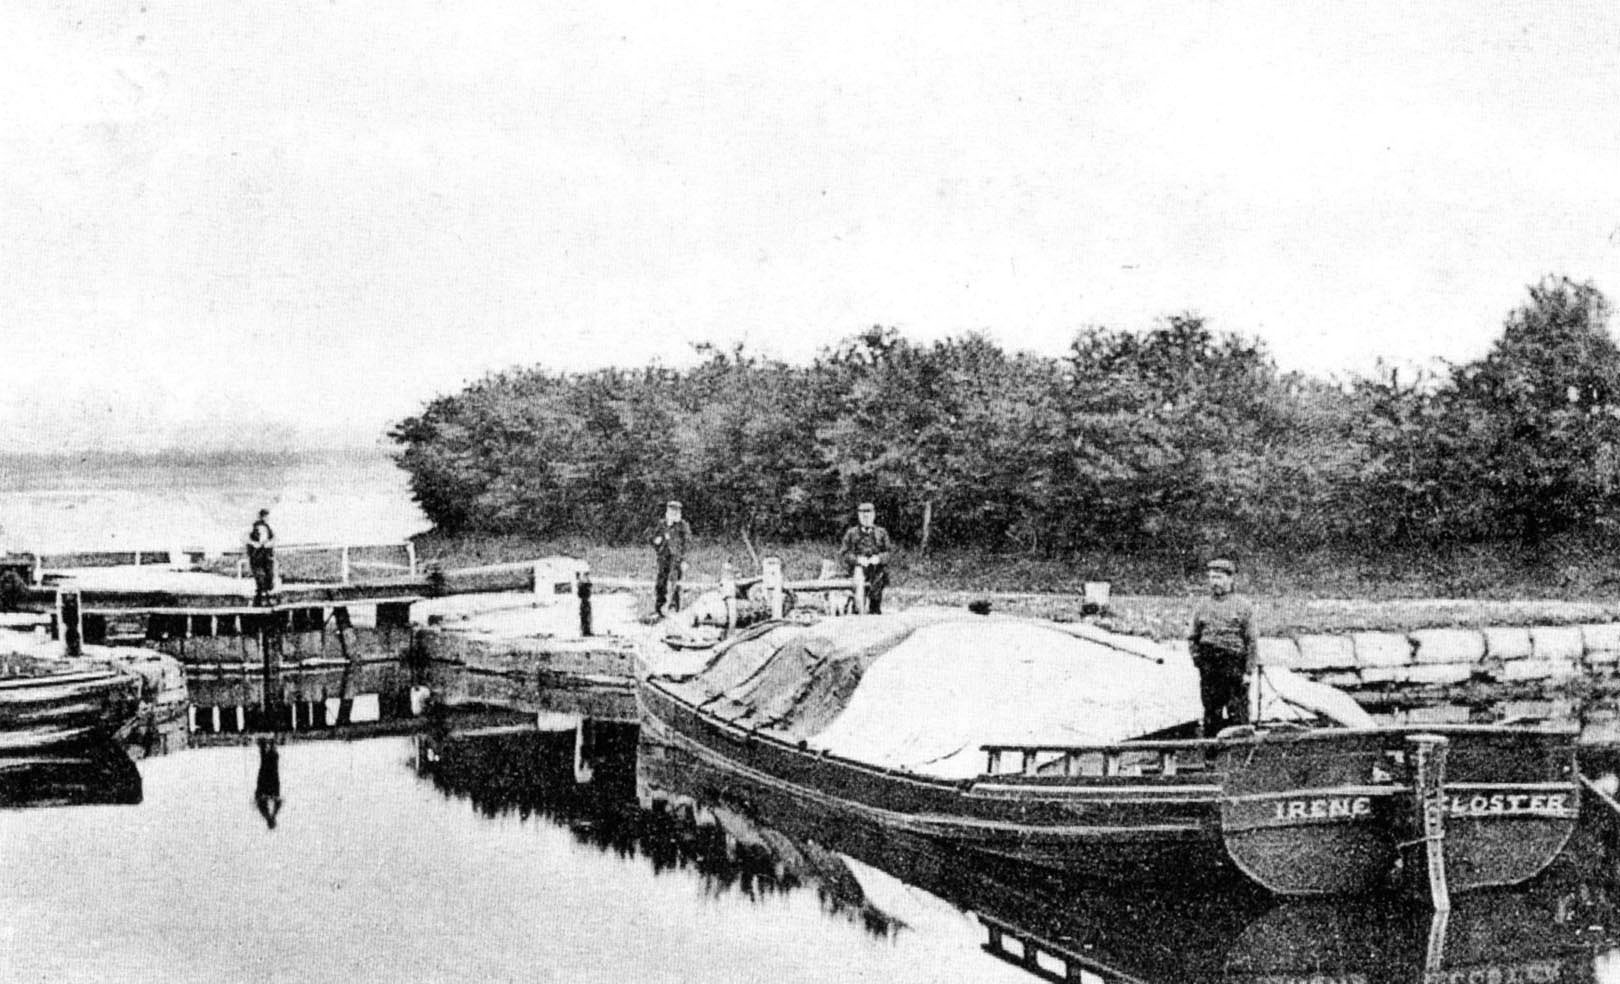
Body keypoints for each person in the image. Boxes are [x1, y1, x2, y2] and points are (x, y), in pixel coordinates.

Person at [1188, 558, 1257, 738]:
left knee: (1238, 712)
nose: (1214, 582)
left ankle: (1241, 757)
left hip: (1234, 664)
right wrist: (1198, 660)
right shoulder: (1202, 606)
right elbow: (1192, 637)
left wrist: (1248, 671)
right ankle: (1210, 760)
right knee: (1211, 712)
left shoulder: (1243, 606)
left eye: (1218, 577)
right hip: (1210, 665)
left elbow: (1251, 641)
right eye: (1211, 578)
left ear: (1230, 579)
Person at [839, 502, 892, 614]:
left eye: (869, 514)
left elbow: (888, 553)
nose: (866, 517)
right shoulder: (851, 533)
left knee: (879, 576)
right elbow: (844, 553)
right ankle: (858, 608)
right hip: (857, 569)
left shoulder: (881, 533)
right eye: (863, 514)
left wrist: (878, 558)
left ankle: (875, 608)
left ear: (874, 515)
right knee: (859, 577)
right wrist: (858, 560)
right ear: (859, 516)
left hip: (876, 569)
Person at [648, 500, 692, 617]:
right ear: (667, 511)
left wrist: (684, 560)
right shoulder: (662, 524)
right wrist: (656, 541)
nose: (673, 513)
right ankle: (659, 608)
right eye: (671, 510)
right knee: (660, 582)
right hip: (663, 556)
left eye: (676, 510)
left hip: (677, 558)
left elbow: (687, 543)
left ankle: (674, 608)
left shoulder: (683, 525)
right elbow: (653, 537)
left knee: (675, 582)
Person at [246, 508, 276, 604]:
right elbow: (246, 538)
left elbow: (273, 538)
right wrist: (254, 543)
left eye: (268, 517)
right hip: (257, 555)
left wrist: (269, 543)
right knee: (260, 576)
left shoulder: (268, 528)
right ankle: (261, 598)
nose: (267, 518)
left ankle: (266, 597)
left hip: (266, 555)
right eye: (266, 516)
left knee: (269, 575)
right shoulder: (254, 527)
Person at [254, 737, 283, 830]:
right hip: (271, 787)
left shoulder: (266, 814)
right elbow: (278, 801)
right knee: (270, 768)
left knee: (265, 767)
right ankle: (270, 747)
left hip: (264, 787)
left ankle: (266, 746)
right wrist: (274, 798)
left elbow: (259, 802)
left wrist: (264, 797)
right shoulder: (271, 813)